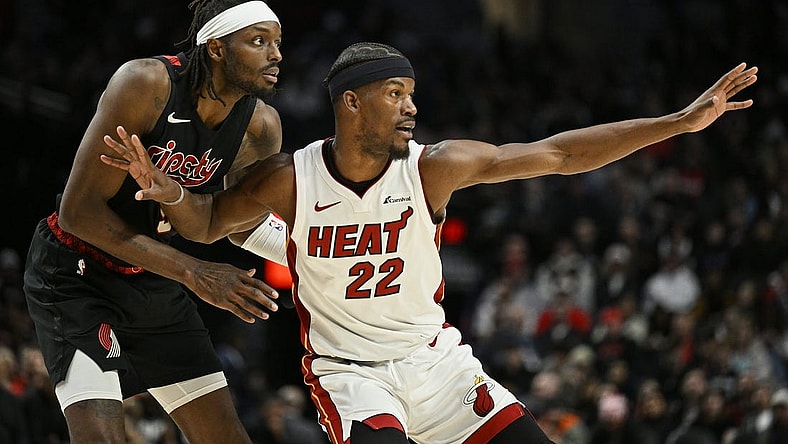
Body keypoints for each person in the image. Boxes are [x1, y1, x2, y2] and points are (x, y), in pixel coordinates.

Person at [101, 42, 757, 443]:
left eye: (412, 93)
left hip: (438, 364)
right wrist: (170, 195)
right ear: (351, 103)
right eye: (395, 93)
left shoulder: (433, 166)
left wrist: (678, 123)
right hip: (355, 379)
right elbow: (209, 224)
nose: (411, 106)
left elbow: (558, 155)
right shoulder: (288, 180)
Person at [22, 1, 287, 443]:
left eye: (278, 43)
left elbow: (237, 224)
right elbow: (78, 212)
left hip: (152, 275)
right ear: (217, 48)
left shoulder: (260, 127)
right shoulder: (147, 83)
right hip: (76, 272)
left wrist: (320, 246)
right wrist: (195, 271)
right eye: (259, 41)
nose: (276, 55)